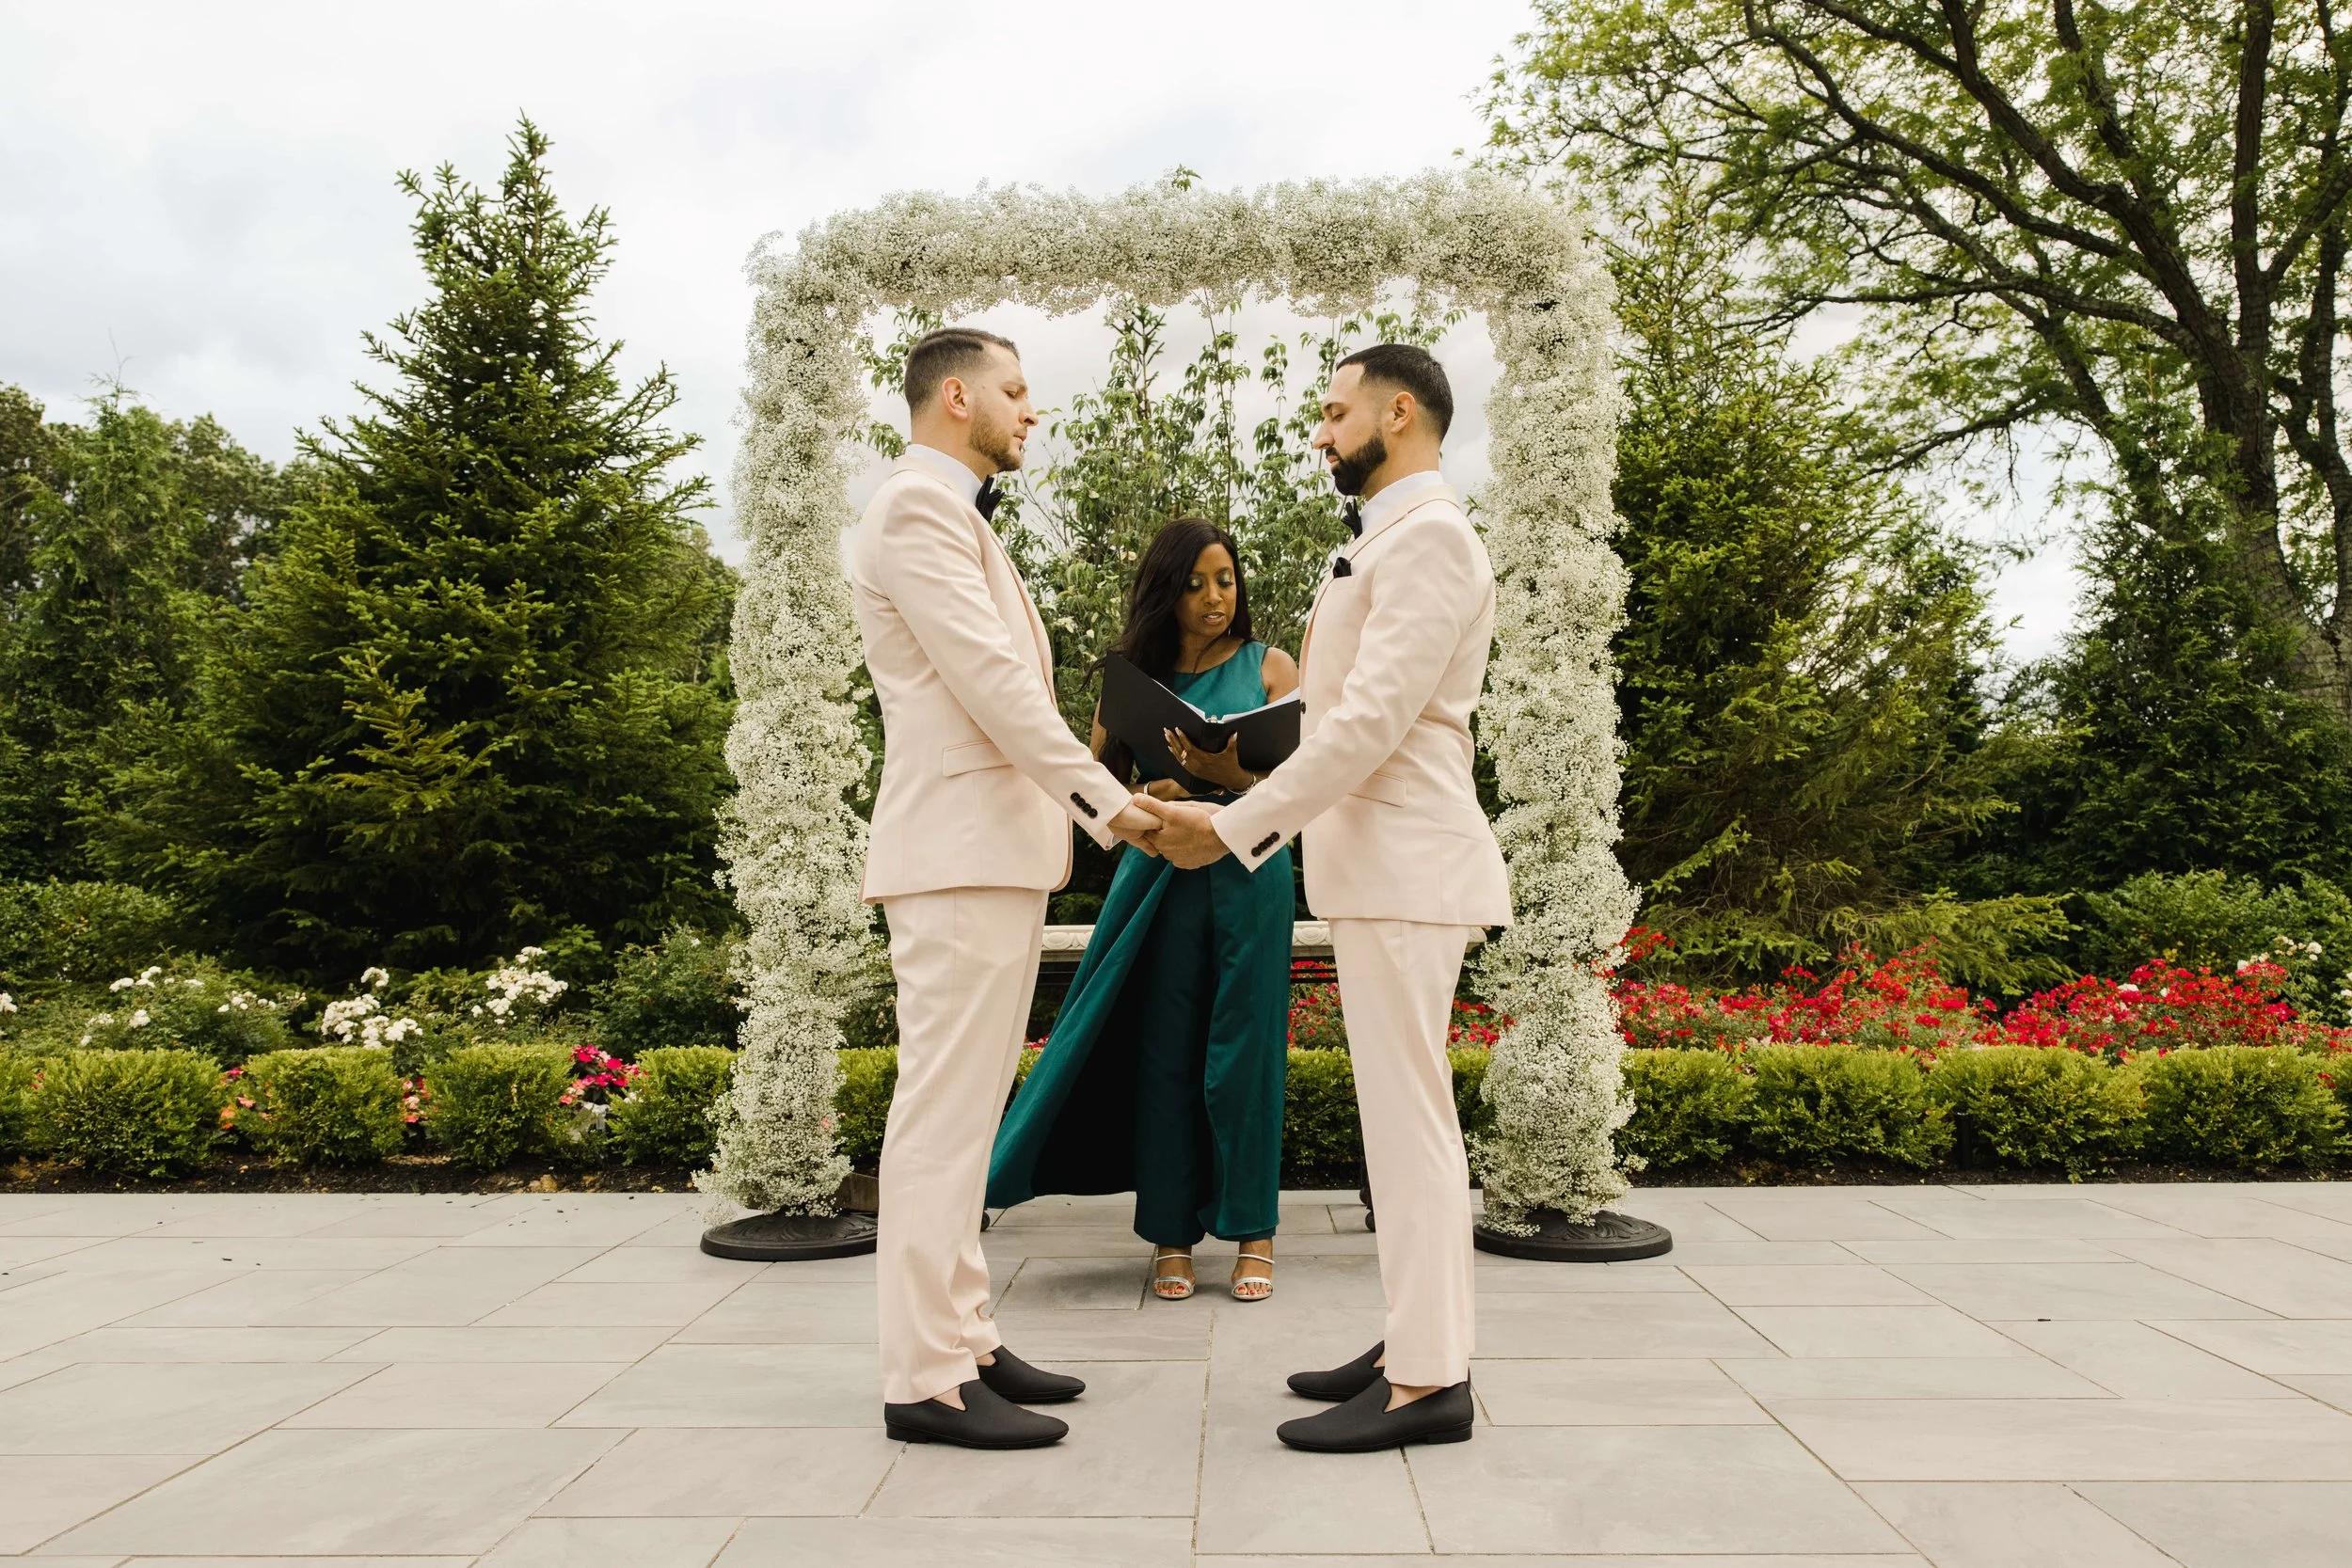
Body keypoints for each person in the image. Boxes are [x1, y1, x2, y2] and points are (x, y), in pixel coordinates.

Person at [1140, 343, 1511, 1453]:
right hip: (1380, 868)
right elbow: (1336, 722)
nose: (1320, 431)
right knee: (1398, 1130)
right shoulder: (1393, 538)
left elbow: (1367, 724)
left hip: (1410, 865)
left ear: (1400, 414)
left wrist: (1233, 825)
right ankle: (1413, 1340)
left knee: (1412, 1132)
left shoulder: (1433, 539)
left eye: (1336, 411)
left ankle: (1429, 1380)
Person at [846, 325, 1165, 1450]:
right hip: (955, 848)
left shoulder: (950, 512)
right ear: (951, 396)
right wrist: (1112, 804)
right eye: (1013, 390)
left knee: (970, 1108)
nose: (1030, 410)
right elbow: (989, 683)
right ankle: (925, 1378)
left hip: (985, 848)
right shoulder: (917, 509)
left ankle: (966, 1334)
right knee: (940, 1116)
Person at [987, 518, 1299, 1305]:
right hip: (1157, 874)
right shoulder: (1133, 680)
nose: (1213, 597)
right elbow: (1091, 789)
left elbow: (1305, 791)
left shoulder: (1272, 667)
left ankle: (1254, 1230)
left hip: (1249, 876)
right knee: (1167, 1054)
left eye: (1225, 578)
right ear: (1166, 590)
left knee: (1246, 1053)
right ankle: (1171, 1233)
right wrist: (1150, 795)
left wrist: (1232, 778)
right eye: (1194, 582)